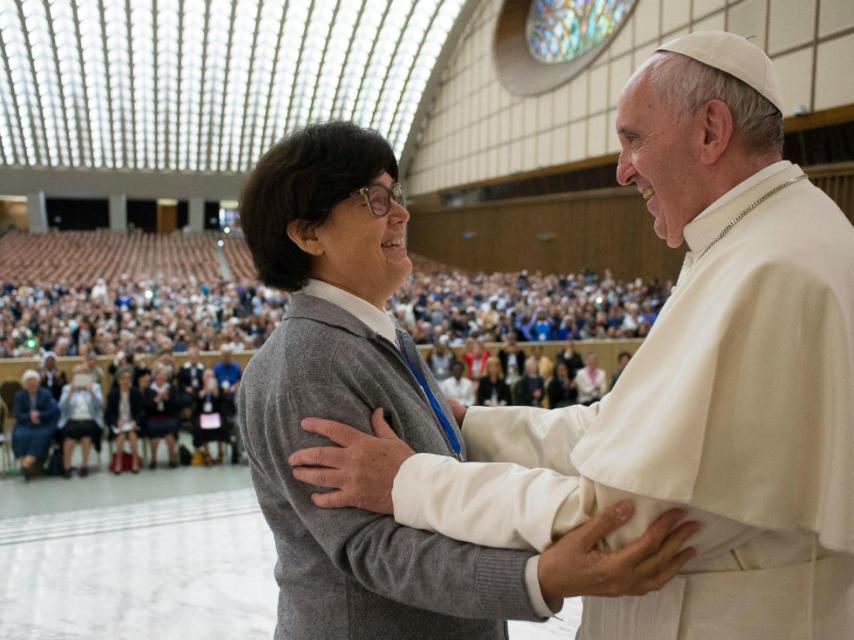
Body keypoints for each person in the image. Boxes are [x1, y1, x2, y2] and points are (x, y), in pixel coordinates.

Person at [287, 33, 854, 638]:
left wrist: (411, 482)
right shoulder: (760, 242)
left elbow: (622, 522)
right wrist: (471, 426)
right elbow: (618, 432)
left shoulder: (773, 270)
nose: (622, 169)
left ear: (711, 131)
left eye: (633, 139)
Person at [237, 121, 696, 640]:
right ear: (308, 233)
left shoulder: (376, 336)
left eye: (396, 195)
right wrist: (536, 576)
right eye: (375, 200)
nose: (402, 214)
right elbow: (371, 546)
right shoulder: (308, 364)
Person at [57, 364, 104, 478]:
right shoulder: (67, 388)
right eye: (77, 375)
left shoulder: (95, 387)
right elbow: (62, 408)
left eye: (83, 374)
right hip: (72, 419)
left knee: (86, 433)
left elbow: (100, 406)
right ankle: (67, 466)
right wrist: (70, 393)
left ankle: (84, 465)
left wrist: (91, 392)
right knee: (68, 434)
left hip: (89, 419)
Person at [11, 369, 58, 481]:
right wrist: (29, 416)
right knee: (19, 435)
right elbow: (17, 414)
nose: (32, 384)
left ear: (38, 382)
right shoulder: (20, 395)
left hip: (42, 424)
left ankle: (26, 465)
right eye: (29, 382)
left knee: (42, 436)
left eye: (34, 381)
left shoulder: (46, 394)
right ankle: (27, 467)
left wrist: (39, 414)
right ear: (25, 384)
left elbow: (51, 412)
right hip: (25, 424)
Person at [104, 365, 143, 474]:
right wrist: (116, 421)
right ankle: (118, 462)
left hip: (132, 423)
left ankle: (135, 461)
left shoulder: (136, 393)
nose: (125, 381)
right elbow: (109, 413)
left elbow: (140, 411)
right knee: (121, 436)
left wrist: (135, 421)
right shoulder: (113, 394)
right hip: (119, 423)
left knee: (132, 435)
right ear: (118, 380)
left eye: (128, 378)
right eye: (123, 378)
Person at [142, 364, 180, 469]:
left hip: (169, 416)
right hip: (153, 417)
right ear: (155, 376)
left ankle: (171, 459)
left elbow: (177, 406)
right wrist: (155, 400)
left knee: (170, 432)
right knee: (154, 430)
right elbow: (145, 407)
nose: (162, 377)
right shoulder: (148, 389)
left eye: (165, 375)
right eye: (160, 375)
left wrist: (167, 400)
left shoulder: (171, 388)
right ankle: (154, 459)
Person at [193, 368, 227, 464]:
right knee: (200, 426)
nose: (209, 378)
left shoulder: (219, 389)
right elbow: (195, 403)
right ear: (202, 378)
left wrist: (216, 394)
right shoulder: (198, 388)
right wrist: (202, 394)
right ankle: (207, 454)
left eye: (211, 376)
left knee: (222, 424)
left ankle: (220, 453)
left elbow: (223, 404)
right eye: (206, 376)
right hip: (203, 416)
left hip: (216, 415)